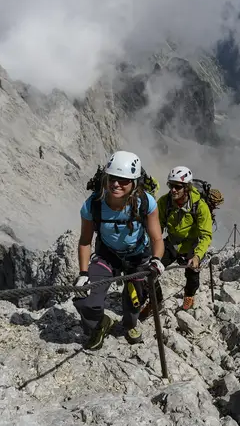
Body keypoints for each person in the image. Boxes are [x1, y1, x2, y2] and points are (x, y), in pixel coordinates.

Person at [73, 150, 165, 350]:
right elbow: (85, 241)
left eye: (123, 180)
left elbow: (157, 237)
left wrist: (156, 260)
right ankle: (100, 324)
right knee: (85, 298)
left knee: (133, 305)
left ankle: (130, 324)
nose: (116, 184)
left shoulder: (146, 203)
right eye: (112, 178)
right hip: (108, 257)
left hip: (138, 257)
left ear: (134, 183)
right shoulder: (93, 205)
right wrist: (83, 273)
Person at [140, 166, 213, 316]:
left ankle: (189, 295)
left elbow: (206, 235)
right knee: (149, 271)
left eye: (177, 187)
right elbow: (156, 227)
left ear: (187, 188)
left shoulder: (200, 206)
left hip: (191, 244)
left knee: (192, 275)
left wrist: (198, 256)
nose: (173, 190)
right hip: (171, 243)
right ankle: (156, 302)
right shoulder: (164, 202)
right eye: (171, 185)